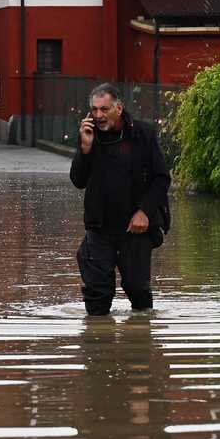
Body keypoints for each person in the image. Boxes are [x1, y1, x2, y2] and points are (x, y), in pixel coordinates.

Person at [69, 83, 170, 316]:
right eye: (94, 110)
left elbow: (161, 179)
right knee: (97, 292)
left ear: (119, 108)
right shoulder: (89, 137)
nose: (98, 116)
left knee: (138, 289)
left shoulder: (143, 134)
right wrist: (85, 149)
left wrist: (144, 212)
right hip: (99, 227)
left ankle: (141, 340)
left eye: (104, 110)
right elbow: (78, 180)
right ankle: (96, 344)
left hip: (135, 228)